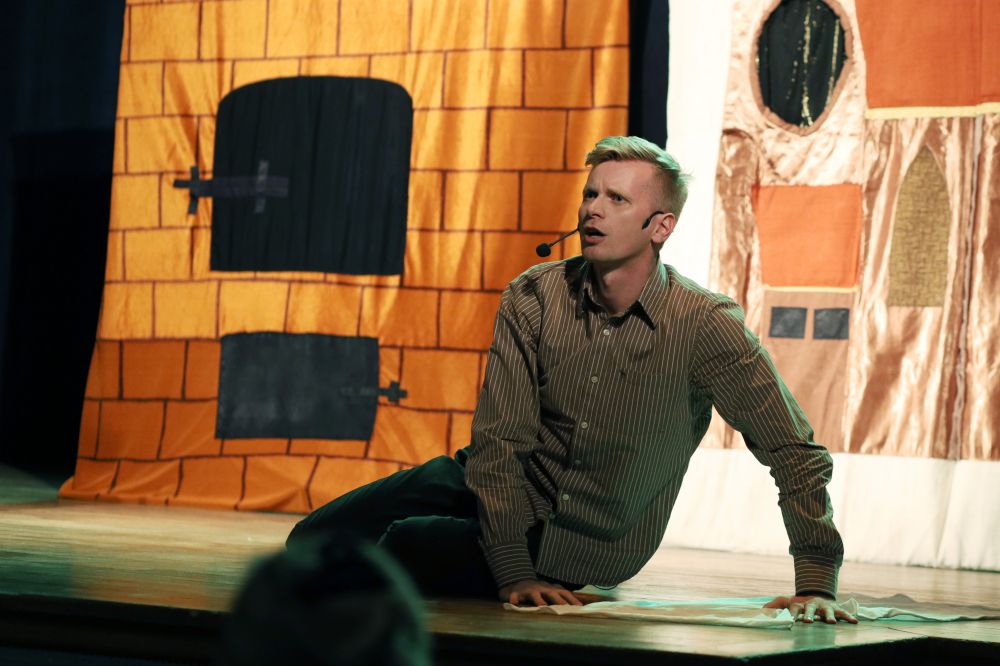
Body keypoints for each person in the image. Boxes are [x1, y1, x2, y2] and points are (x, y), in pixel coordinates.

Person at [288, 136, 857, 625]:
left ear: (661, 226)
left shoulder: (705, 325)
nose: (593, 210)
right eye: (590, 194)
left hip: (582, 537)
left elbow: (794, 451)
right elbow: (499, 441)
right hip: (492, 485)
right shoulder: (534, 296)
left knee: (404, 542)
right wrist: (512, 571)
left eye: (616, 199)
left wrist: (816, 582)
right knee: (312, 540)